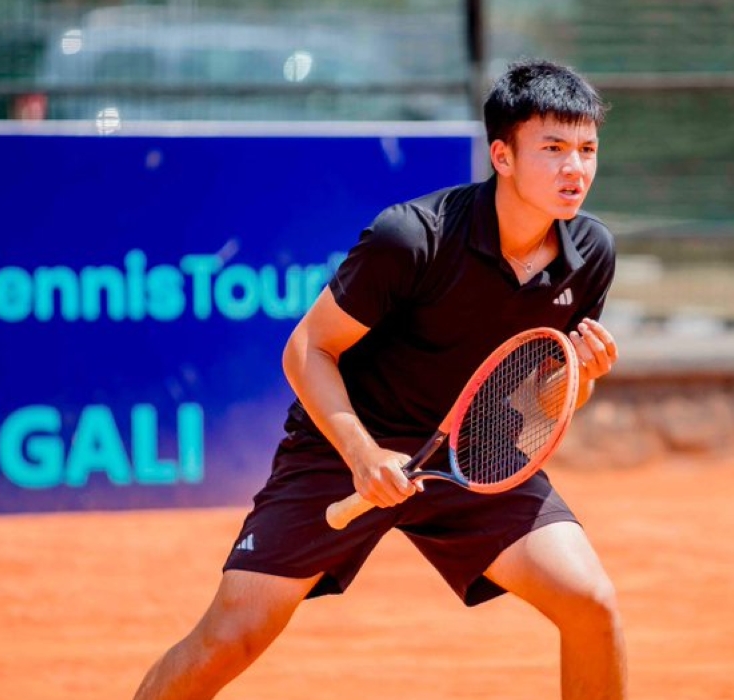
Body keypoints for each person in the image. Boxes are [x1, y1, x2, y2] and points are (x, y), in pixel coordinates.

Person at [132, 57, 627, 700]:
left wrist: (579, 377)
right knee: (233, 636)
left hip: (475, 454)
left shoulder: (591, 256)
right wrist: (362, 455)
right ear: (502, 156)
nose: (575, 169)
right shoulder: (412, 238)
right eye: (553, 148)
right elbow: (307, 348)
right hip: (346, 446)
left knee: (592, 604)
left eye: (587, 149)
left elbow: (543, 399)